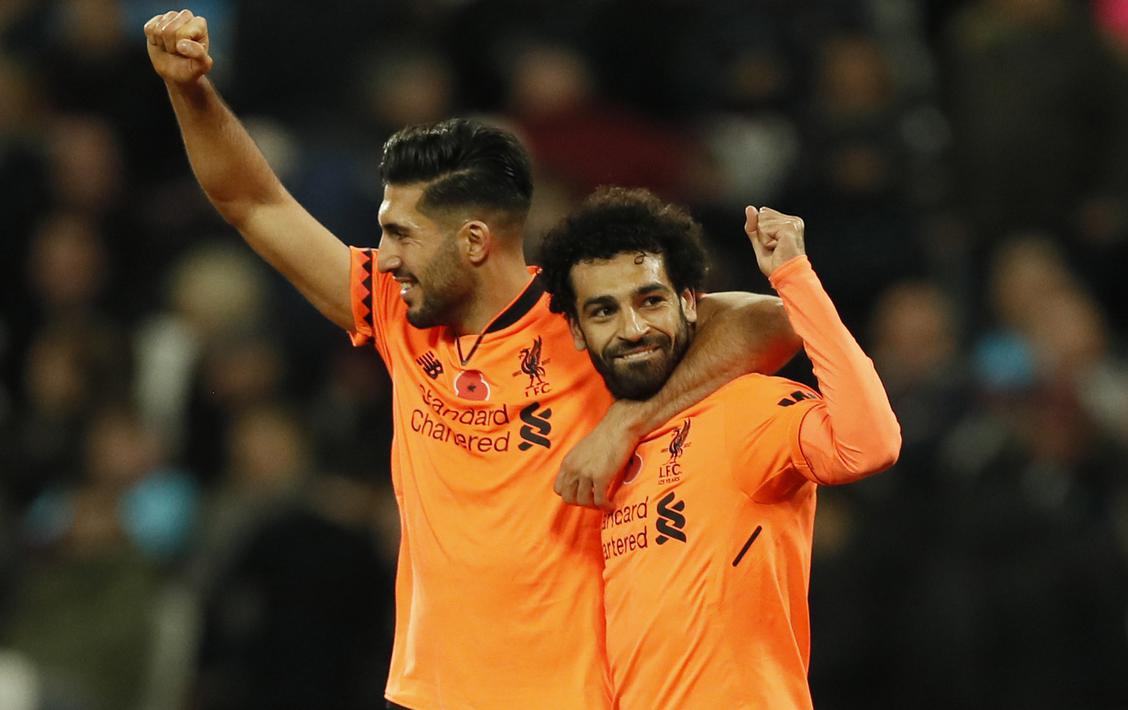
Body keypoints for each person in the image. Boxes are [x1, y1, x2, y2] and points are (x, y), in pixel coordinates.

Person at [142, 10, 800, 709]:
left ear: (476, 242)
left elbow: (773, 321)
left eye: (401, 234)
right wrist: (191, 92)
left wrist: (625, 423)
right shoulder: (395, 308)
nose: (384, 255)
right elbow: (251, 200)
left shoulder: (591, 315)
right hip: (426, 694)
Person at [537, 187, 901, 708]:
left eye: (651, 299)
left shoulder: (743, 410)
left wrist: (795, 276)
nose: (633, 329)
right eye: (603, 311)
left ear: (689, 301)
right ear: (575, 330)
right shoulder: (593, 456)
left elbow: (870, 445)